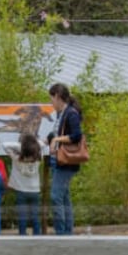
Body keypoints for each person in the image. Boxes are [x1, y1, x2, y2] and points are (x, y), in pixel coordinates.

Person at [46, 83, 82, 235]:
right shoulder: (61, 114)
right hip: (58, 160)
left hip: (66, 162)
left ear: (58, 97)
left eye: (51, 99)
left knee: (56, 197)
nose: (51, 102)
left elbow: (77, 135)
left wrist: (57, 139)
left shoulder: (71, 113)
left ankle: (60, 233)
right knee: (64, 198)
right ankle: (67, 232)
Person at [2, 133, 43, 235]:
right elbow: (42, 144)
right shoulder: (38, 156)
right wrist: (32, 145)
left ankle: (22, 236)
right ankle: (37, 237)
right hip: (35, 191)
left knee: (22, 216)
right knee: (35, 217)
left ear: (22, 147)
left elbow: (5, 145)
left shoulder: (17, 158)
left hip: (21, 190)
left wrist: (23, 147)